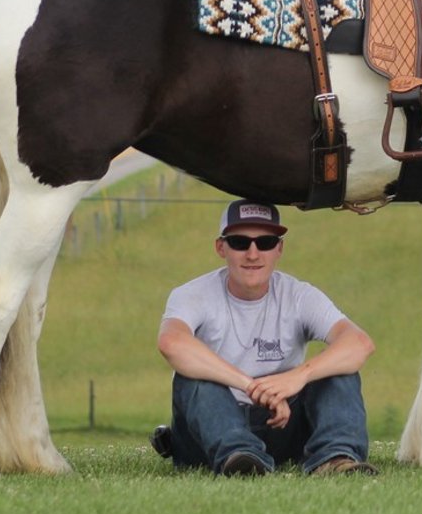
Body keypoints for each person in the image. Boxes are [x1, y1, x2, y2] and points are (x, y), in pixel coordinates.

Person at [150, 199, 378, 476]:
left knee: (340, 369)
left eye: (266, 242)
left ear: (279, 248)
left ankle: (336, 459)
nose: (253, 254)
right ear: (221, 247)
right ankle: (240, 458)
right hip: (210, 430)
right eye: (239, 242)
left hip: (282, 425)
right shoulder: (192, 294)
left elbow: (360, 343)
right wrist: (252, 387)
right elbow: (171, 343)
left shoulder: (299, 295)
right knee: (192, 379)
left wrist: (299, 376)